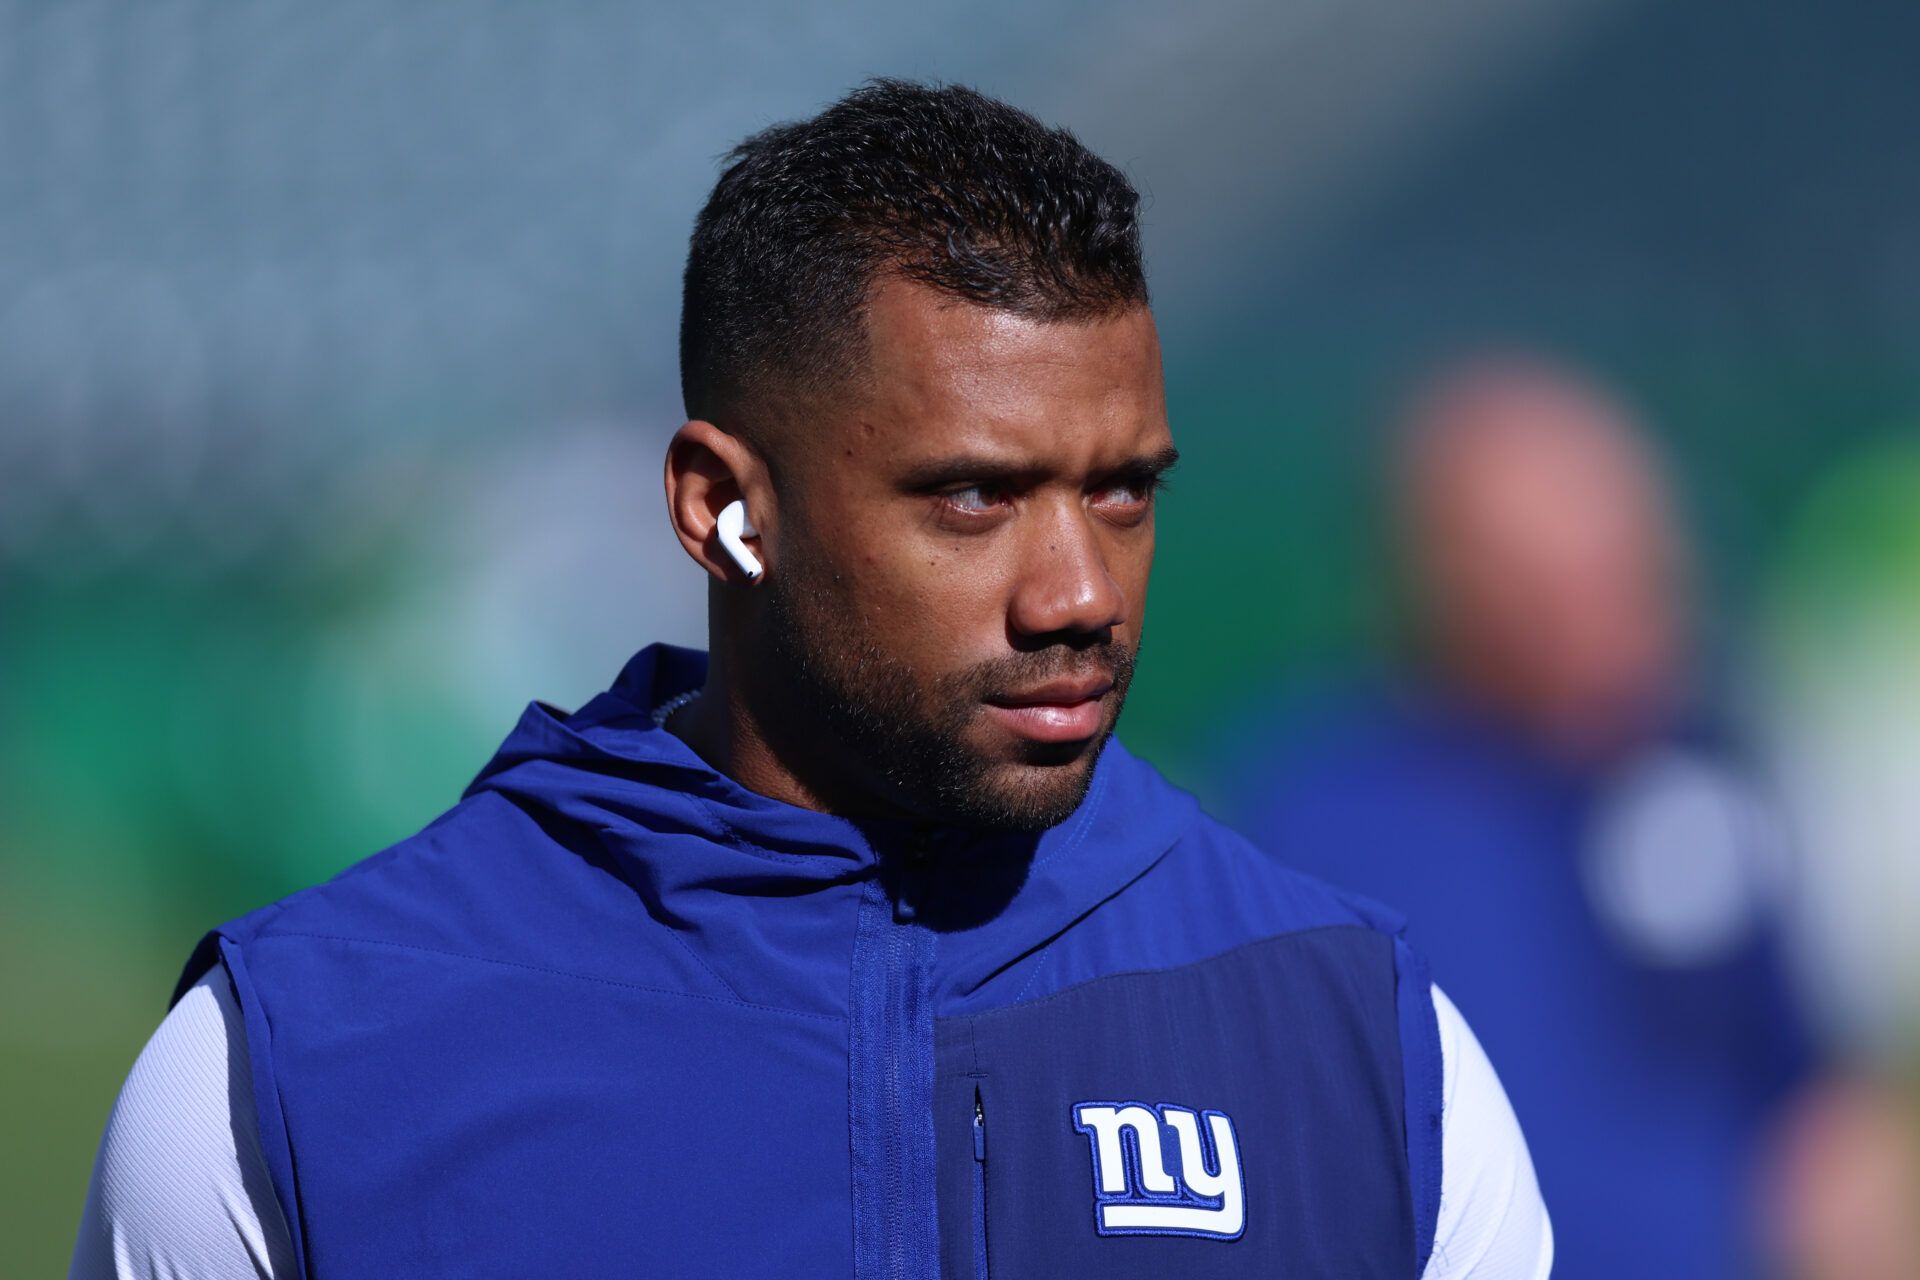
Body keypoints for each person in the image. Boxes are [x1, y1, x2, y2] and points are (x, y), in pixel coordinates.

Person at [71, 82, 1550, 1279]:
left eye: (1123, 494)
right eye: (973, 497)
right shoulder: (300, 1071)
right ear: (724, 508)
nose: (1082, 594)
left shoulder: (1369, 1048)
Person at [1220, 357, 1808, 1279]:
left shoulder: (1698, 772)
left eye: (1640, 561)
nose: (1643, 610)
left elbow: (1805, 1101)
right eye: (1577, 576)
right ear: (1455, 585)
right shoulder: (1315, 816)